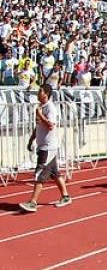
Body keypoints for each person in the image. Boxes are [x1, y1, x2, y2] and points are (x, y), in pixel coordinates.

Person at [19, 84, 72, 212]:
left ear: (46, 94)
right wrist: (32, 139)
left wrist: (40, 115)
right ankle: (65, 196)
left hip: (48, 147)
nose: (38, 93)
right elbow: (38, 126)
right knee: (55, 173)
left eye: (40, 91)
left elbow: (50, 126)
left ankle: (33, 202)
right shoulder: (41, 107)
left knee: (39, 174)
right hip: (43, 146)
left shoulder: (50, 108)